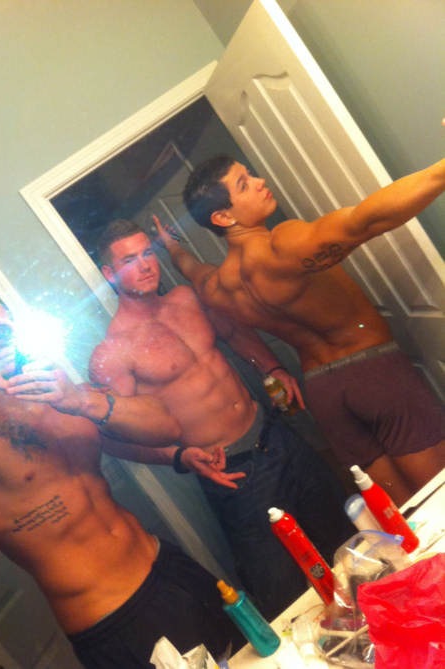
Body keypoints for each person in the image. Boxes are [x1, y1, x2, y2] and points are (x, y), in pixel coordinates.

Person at [0, 290, 244, 669]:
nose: (1, 342)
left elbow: (166, 425)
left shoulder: (59, 392)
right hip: (114, 617)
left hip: (168, 566)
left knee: (254, 657)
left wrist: (174, 454)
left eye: (6, 330)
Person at [88, 220, 354, 620]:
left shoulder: (185, 298)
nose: (145, 265)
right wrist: (179, 457)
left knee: (346, 542)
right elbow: (111, 437)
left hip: (275, 436)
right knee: (286, 593)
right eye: (129, 260)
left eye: (148, 253)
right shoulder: (113, 353)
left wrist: (272, 367)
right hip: (233, 474)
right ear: (109, 274)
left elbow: (232, 332)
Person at [154, 156, 445, 505]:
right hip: (375, 375)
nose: (260, 181)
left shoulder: (217, 286)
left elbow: (189, 267)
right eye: (244, 184)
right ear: (223, 217)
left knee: (405, 512)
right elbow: (365, 220)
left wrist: (171, 246)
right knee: (438, 499)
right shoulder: (281, 244)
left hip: (325, 395)